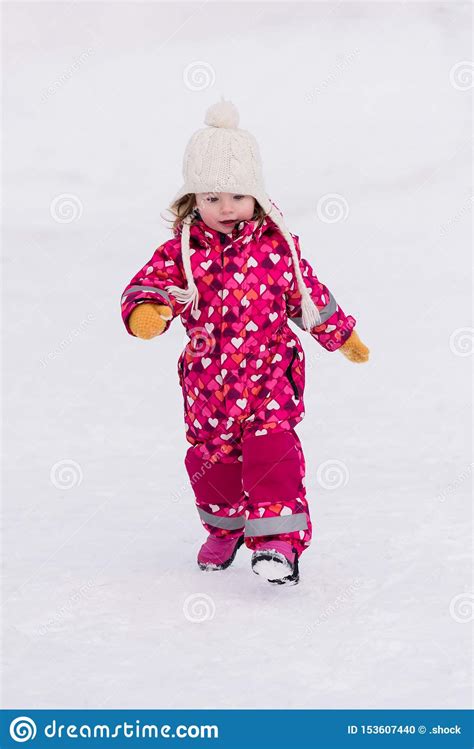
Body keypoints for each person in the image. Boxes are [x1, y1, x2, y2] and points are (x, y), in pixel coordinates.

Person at [121, 99, 369, 586]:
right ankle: (224, 526)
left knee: (271, 451)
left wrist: (342, 336)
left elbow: (308, 297)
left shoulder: (279, 248)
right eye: (210, 198)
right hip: (208, 382)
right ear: (193, 200)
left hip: (272, 373)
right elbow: (146, 285)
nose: (225, 207)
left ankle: (278, 542)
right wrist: (149, 311)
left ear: (256, 194)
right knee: (212, 459)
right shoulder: (180, 252)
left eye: (236, 195)